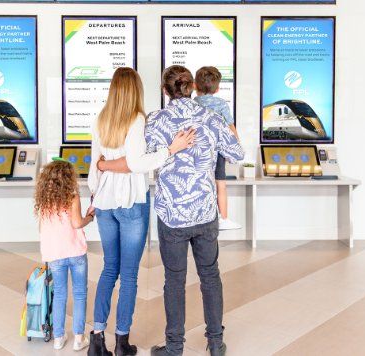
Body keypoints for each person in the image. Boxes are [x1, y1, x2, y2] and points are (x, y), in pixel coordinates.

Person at [87, 67, 195, 356]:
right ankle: (122, 342)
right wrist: (171, 149)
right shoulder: (137, 119)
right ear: (135, 89)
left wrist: (95, 196)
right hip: (132, 201)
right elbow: (137, 163)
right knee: (130, 275)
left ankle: (96, 339)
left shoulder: (101, 119)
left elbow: (94, 165)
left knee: (109, 269)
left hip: (105, 202)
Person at [148, 65, 244, 356]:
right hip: (204, 212)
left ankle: (174, 348)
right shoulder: (212, 117)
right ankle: (215, 343)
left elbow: (147, 161)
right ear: (191, 87)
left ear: (165, 90)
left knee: (174, 281)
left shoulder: (155, 120)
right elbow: (238, 154)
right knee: (210, 276)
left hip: (172, 214)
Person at [34, 159, 95, 351]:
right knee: (80, 294)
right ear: (69, 178)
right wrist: (90, 217)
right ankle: (79, 338)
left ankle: (59, 338)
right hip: (76, 252)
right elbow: (77, 223)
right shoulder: (72, 196)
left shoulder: (44, 200)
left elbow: (43, 230)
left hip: (55, 254)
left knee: (59, 295)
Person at [194, 66, 241, 231]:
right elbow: (230, 128)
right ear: (218, 87)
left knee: (200, 184)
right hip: (218, 152)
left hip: (198, 151)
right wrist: (236, 147)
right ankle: (224, 218)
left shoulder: (193, 103)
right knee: (221, 184)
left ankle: (202, 216)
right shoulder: (221, 104)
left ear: (194, 85)